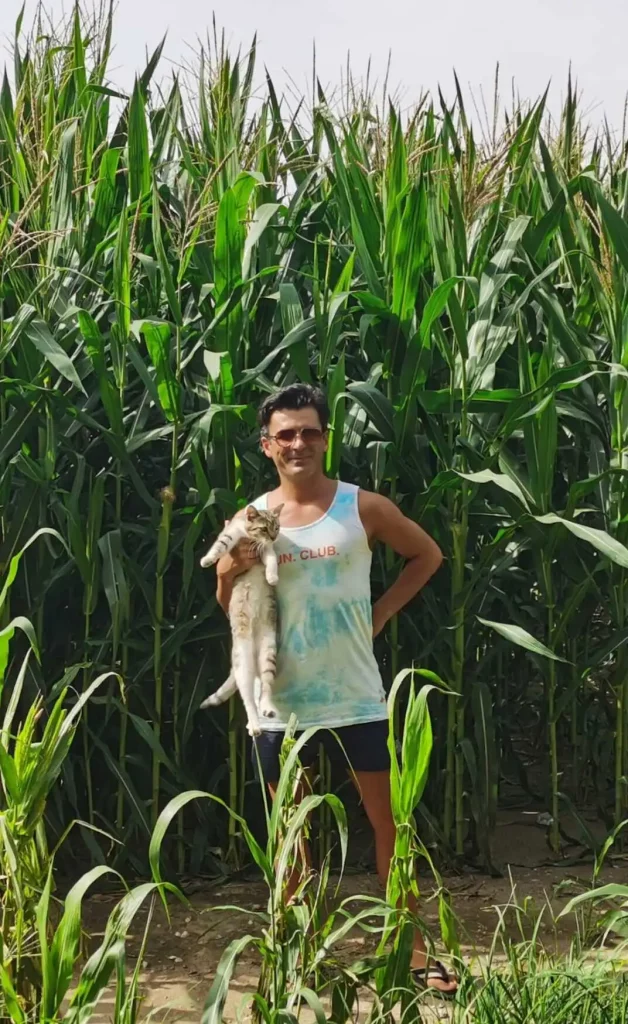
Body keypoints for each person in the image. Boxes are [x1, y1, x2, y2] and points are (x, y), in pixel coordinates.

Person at [214, 383, 457, 996]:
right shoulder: (250, 519)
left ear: (326, 438)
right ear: (268, 446)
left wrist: (375, 618)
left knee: (389, 825)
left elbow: (426, 556)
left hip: (354, 694)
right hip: (280, 705)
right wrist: (227, 568)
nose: (300, 442)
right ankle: (296, 955)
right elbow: (233, 607)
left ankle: (411, 947)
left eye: (311, 431)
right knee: (291, 835)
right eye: (286, 434)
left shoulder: (362, 507)